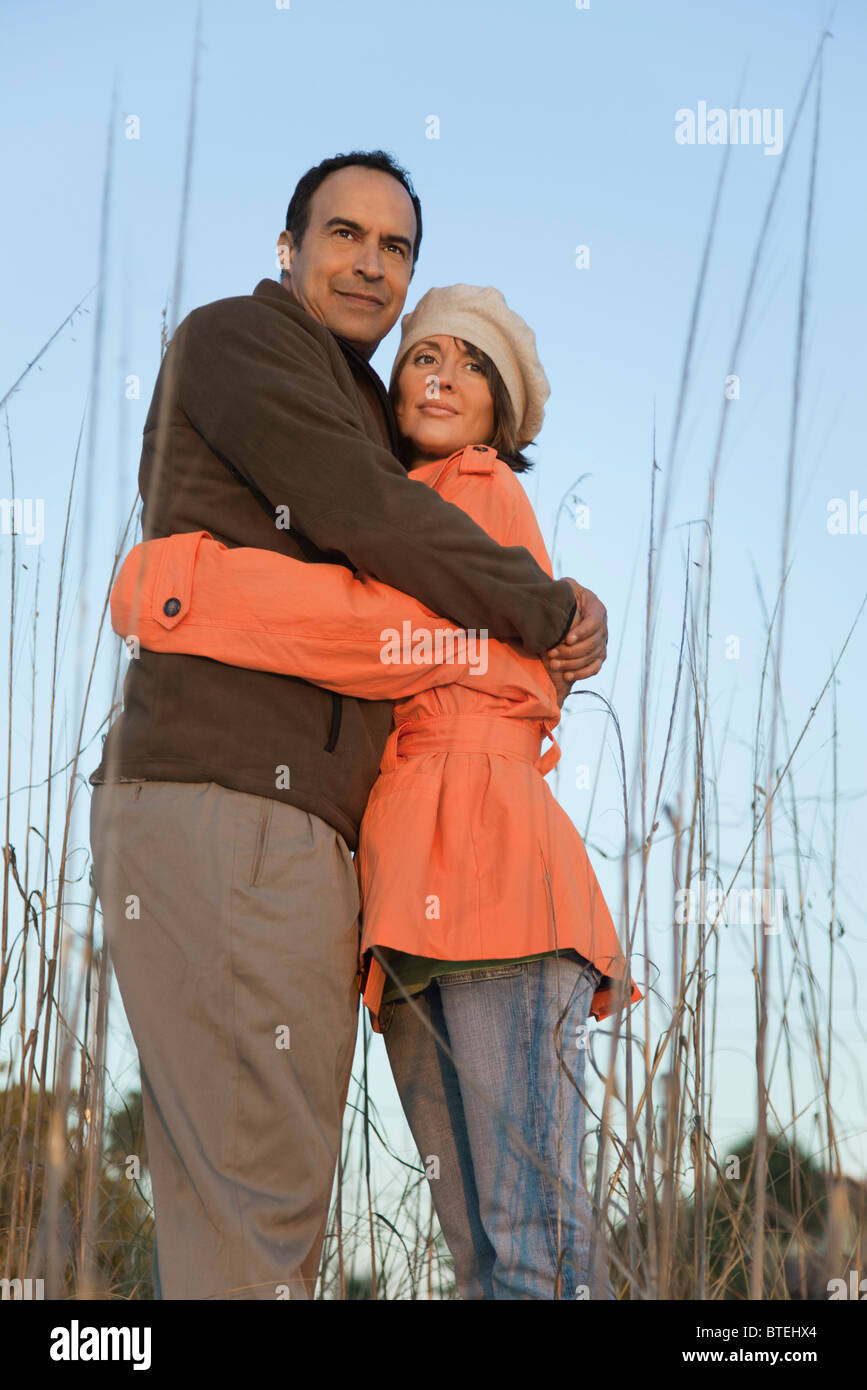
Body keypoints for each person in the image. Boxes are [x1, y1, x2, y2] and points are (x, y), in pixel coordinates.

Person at [88, 152, 609, 1301]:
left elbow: (427, 623)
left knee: (263, 1201)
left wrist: (186, 593)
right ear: (289, 247)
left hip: (379, 865)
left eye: (397, 246)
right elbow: (377, 543)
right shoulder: (246, 342)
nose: (372, 263)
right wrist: (542, 603)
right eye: (344, 234)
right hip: (234, 804)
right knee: (261, 1199)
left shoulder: (410, 447)